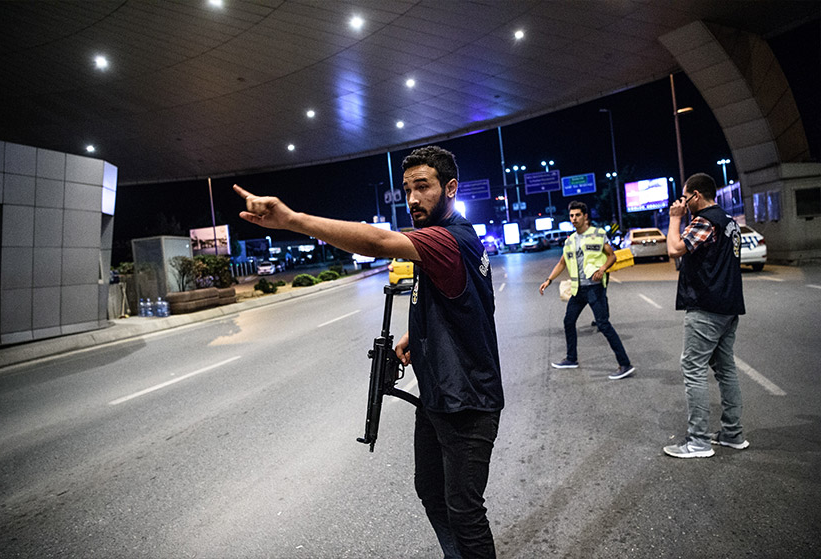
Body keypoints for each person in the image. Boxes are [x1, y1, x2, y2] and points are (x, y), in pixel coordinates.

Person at [233, 145, 503, 558]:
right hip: (439, 396)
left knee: (464, 511)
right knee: (432, 493)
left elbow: (377, 241)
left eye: (423, 187)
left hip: (466, 404)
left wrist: (292, 220)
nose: (412, 198)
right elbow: (475, 303)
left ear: (450, 188)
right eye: (407, 189)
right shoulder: (450, 238)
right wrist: (418, 333)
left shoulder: (447, 239)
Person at [662, 172, 748, 458]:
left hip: (707, 307)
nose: (683, 203)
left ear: (696, 195)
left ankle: (698, 441)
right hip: (729, 305)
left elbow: (674, 249)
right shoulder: (729, 221)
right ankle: (733, 434)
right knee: (725, 369)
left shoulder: (705, 221)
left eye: (685, 198)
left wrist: (674, 218)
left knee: (693, 369)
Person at [538, 201, 635, 380]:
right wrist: (548, 280)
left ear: (585, 216)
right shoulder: (570, 241)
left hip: (594, 288)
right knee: (568, 321)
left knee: (603, 324)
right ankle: (571, 358)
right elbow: (562, 263)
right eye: (571, 216)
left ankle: (625, 364)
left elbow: (612, 256)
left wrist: (602, 269)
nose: (574, 219)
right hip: (578, 289)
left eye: (577, 215)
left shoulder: (598, 234)